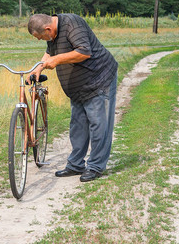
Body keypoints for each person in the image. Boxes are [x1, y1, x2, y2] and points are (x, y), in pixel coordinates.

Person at [27, 13, 118, 182]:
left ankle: (96, 167)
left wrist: (57, 60)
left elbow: (84, 52)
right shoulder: (52, 34)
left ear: (48, 28)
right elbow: (49, 53)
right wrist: (37, 69)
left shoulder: (72, 24)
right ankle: (75, 165)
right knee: (78, 126)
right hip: (78, 88)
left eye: (40, 37)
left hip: (99, 80)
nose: (41, 40)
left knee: (99, 125)